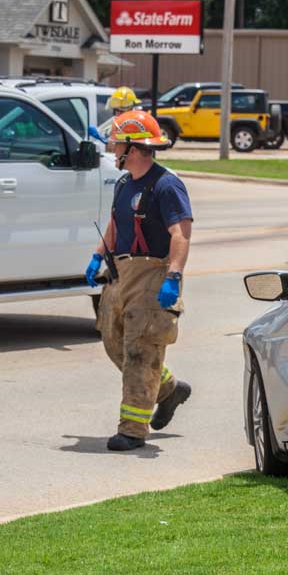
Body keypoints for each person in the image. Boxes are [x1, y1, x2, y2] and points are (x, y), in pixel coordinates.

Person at [85, 110, 194, 451]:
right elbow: (117, 224)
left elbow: (181, 234)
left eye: (116, 143)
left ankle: (132, 430)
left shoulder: (166, 185)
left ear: (132, 148)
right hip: (122, 273)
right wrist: (98, 255)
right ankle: (168, 389)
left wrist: (173, 277)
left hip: (153, 274)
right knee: (112, 339)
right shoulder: (123, 183)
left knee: (139, 349)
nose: (112, 149)